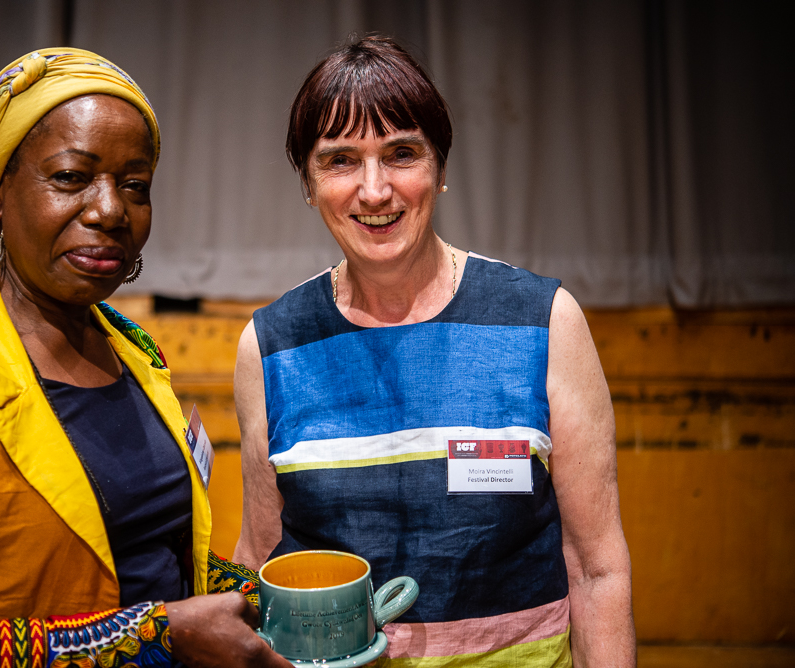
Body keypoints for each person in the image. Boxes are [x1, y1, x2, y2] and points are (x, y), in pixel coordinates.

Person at [0, 48, 286, 668]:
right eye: (70, 177)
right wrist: (158, 639)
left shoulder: (133, 351)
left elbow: (147, 557)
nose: (110, 209)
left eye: (134, 184)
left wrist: (273, 597)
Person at [232, 36, 635, 666]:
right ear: (308, 184)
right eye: (340, 161)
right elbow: (260, 562)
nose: (374, 190)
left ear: (440, 170)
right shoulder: (271, 345)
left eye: (401, 154)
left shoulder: (543, 321)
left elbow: (596, 569)